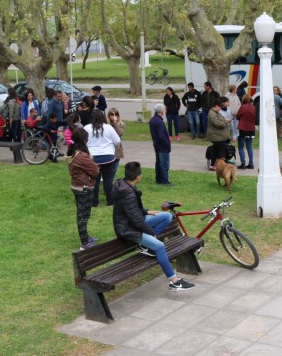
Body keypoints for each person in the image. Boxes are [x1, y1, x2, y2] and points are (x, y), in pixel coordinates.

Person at [112, 162, 195, 291]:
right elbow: (137, 221)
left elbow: (131, 209)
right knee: (159, 246)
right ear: (138, 176)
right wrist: (152, 234)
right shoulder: (128, 193)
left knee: (166, 216)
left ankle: (146, 245)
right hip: (128, 230)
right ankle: (174, 281)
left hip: (132, 222)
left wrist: (146, 211)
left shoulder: (123, 185)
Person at [68, 128, 100, 250]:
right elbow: (95, 171)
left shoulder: (74, 151)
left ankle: (85, 237)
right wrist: (95, 166)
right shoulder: (81, 156)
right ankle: (85, 243)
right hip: (83, 188)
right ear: (84, 140)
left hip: (78, 186)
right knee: (83, 215)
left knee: (82, 214)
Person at [85, 109, 122, 207]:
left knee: (95, 181)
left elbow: (82, 141)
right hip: (108, 157)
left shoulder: (87, 128)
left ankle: (94, 202)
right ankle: (110, 201)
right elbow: (117, 141)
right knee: (108, 181)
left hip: (93, 158)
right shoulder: (108, 127)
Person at [149, 104, 173, 186]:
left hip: (156, 145)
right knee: (164, 164)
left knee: (159, 163)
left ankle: (158, 179)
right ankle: (164, 181)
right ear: (161, 111)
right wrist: (167, 142)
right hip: (162, 146)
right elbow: (161, 136)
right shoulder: (159, 122)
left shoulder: (152, 120)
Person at [206, 97, 231, 170]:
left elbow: (220, 120)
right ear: (216, 106)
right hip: (217, 137)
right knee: (221, 153)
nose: (220, 108)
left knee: (215, 150)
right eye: (220, 107)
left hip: (218, 136)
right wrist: (225, 122)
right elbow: (217, 124)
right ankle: (219, 166)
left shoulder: (215, 112)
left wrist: (224, 120)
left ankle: (213, 164)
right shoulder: (212, 114)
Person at [235, 95, 256, 169]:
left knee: (241, 146)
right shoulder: (253, 107)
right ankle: (251, 163)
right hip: (251, 128)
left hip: (243, 128)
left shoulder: (243, 107)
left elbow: (237, 116)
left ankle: (243, 163)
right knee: (249, 146)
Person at [107, 108, 125, 176]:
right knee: (108, 167)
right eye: (112, 114)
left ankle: (110, 180)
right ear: (109, 115)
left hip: (117, 148)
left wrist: (116, 124)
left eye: (116, 114)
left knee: (114, 168)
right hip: (108, 147)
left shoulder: (121, 124)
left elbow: (120, 133)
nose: (114, 116)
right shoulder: (106, 124)